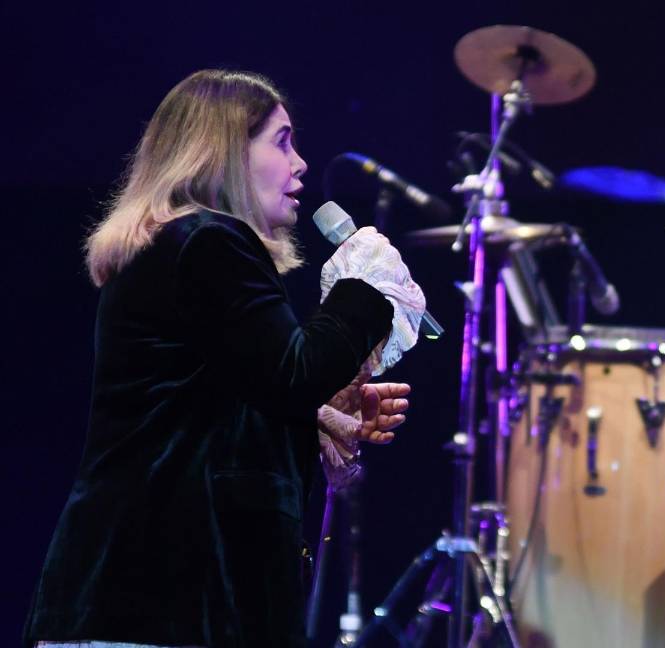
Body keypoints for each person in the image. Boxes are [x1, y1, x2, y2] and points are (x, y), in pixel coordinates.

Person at [24, 69, 425, 648]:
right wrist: (365, 287)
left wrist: (323, 411)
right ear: (224, 152)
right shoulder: (208, 240)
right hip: (160, 603)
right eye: (282, 141)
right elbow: (290, 375)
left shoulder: (184, 246)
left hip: (146, 601)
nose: (301, 163)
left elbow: (222, 395)